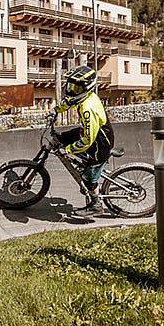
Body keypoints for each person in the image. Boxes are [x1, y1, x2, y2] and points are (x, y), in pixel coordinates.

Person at [53, 64, 114, 215]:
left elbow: (87, 140)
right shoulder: (86, 96)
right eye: (71, 86)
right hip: (93, 135)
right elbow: (69, 101)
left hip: (100, 144)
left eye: (76, 88)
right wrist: (54, 110)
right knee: (64, 136)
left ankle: (96, 205)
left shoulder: (88, 108)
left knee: (88, 179)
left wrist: (67, 150)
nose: (72, 90)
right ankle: (83, 165)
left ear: (86, 88)